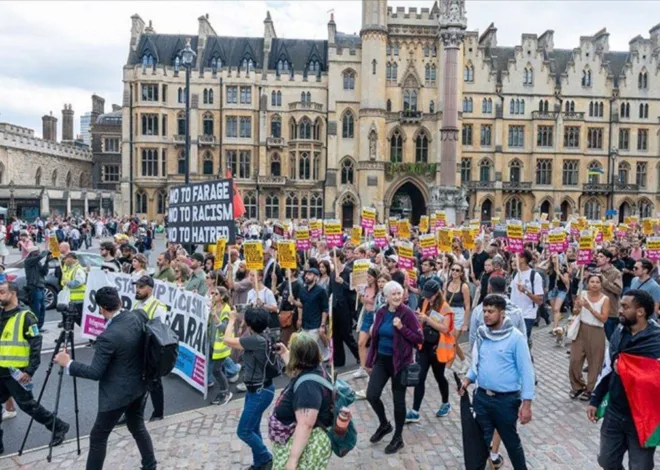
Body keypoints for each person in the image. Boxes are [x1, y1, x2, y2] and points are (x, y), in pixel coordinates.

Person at [54, 286, 156, 470]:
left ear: (101, 308)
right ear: (121, 302)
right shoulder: (137, 316)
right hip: (139, 387)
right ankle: (150, 465)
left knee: (98, 437)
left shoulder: (107, 337)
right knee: (137, 426)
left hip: (117, 395)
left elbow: (95, 372)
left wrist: (68, 363)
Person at [461, 294, 535, 470]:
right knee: (479, 443)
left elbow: (526, 372)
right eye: (485, 311)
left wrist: (526, 405)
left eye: (491, 311)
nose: (486, 315)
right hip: (482, 398)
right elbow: (476, 364)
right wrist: (467, 379)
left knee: (511, 443)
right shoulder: (481, 334)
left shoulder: (516, 338)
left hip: (506, 401)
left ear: (502, 313)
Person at [588, 289, 660, 469]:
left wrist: (630, 369)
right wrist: (595, 399)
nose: (619, 310)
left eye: (625, 307)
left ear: (640, 312)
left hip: (642, 416)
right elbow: (606, 369)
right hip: (615, 411)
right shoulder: (619, 332)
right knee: (607, 461)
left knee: (640, 466)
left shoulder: (657, 340)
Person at [0, 282, 70, 454]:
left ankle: (58, 426)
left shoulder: (26, 316)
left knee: (28, 406)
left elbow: (35, 345)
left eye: (2, 292)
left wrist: (30, 370)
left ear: (13, 293)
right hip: (0, 370)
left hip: (15, 372)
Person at [365, 281, 423, 455]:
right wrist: (369, 361)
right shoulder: (381, 312)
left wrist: (401, 328)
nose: (397, 297)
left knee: (399, 402)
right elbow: (374, 338)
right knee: (372, 395)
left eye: (399, 293)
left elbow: (419, 339)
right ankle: (384, 424)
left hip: (400, 363)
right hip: (382, 361)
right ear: (386, 296)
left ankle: (398, 438)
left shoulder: (407, 314)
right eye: (394, 294)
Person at [270, 333, 334, 469]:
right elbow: (298, 371)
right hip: (293, 437)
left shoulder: (308, 388)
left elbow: (305, 425)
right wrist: (285, 353)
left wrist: (292, 460)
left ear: (298, 358)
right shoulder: (314, 368)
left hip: (304, 442)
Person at [222, 307, 275, 470]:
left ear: (250, 324)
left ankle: (265, 457)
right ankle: (259, 464)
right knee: (253, 428)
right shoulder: (260, 336)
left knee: (244, 431)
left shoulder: (256, 340)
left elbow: (227, 340)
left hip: (260, 392)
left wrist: (231, 320)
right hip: (257, 390)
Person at [406, 280, 453, 424]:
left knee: (439, 377)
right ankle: (415, 411)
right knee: (420, 378)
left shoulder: (445, 308)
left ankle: (446, 403)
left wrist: (427, 319)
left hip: (437, 348)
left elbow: (445, 329)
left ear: (437, 293)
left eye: (430, 296)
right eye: (426, 296)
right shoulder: (425, 302)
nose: (427, 298)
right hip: (424, 346)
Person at [569, 273, 608, 401]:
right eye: (592, 281)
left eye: (597, 282)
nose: (595, 284)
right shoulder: (582, 294)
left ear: (601, 284)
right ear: (588, 283)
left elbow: (604, 318)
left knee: (595, 362)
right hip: (581, 329)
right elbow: (574, 312)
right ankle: (577, 386)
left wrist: (589, 308)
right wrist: (578, 307)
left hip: (596, 331)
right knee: (575, 360)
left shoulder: (605, 299)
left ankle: (590, 389)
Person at [133, 275, 168, 421]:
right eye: (137, 287)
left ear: (150, 289)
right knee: (135, 381)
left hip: (151, 350)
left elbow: (158, 331)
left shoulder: (157, 307)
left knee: (154, 382)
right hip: (137, 348)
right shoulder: (137, 304)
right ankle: (132, 412)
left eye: (141, 287)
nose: (137, 290)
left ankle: (158, 412)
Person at [289, 268, 331, 362]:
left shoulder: (321, 290)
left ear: (316, 277)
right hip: (305, 322)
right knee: (311, 345)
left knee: (311, 346)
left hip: (316, 322)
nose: (307, 276)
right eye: (306, 274)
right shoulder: (303, 290)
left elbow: (325, 308)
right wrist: (294, 301)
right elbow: (301, 305)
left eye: (310, 274)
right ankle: (324, 354)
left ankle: (322, 357)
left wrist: (323, 325)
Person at [509, 250, 544, 345]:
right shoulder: (515, 274)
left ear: (523, 259)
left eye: (516, 256)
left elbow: (540, 301)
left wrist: (525, 291)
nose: (513, 259)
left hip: (527, 314)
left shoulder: (535, 276)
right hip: (514, 314)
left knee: (521, 342)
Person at [444, 262, 472, 373]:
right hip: (448, 314)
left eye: (457, 270)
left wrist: (465, 323)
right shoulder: (447, 284)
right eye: (453, 269)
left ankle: (448, 368)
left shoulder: (464, 286)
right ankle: (465, 361)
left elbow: (468, 306)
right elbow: (444, 301)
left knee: (452, 342)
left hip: (459, 314)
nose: (454, 272)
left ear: (461, 273)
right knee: (452, 342)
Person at [209, 287, 233, 406]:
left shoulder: (226, 310)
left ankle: (226, 392)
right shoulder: (212, 306)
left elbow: (224, 329)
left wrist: (215, 316)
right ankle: (223, 391)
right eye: (212, 293)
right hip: (213, 344)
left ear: (222, 297)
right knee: (220, 369)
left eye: (216, 294)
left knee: (216, 370)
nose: (213, 295)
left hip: (222, 346)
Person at [594, 248, 623, 340]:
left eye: (601, 257)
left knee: (612, 338)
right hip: (596, 310)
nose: (598, 258)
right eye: (597, 256)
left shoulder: (616, 273)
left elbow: (618, 290)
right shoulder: (595, 271)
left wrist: (602, 278)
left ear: (608, 259)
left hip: (610, 311)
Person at [23, 246, 50, 330]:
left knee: (42, 308)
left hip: (41, 287)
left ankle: (39, 326)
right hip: (34, 287)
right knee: (36, 309)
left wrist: (47, 262)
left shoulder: (37, 263)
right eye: (36, 252)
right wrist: (44, 253)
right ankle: (34, 327)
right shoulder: (28, 261)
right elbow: (39, 257)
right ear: (31, 253)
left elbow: (44, 272)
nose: (38, 253)